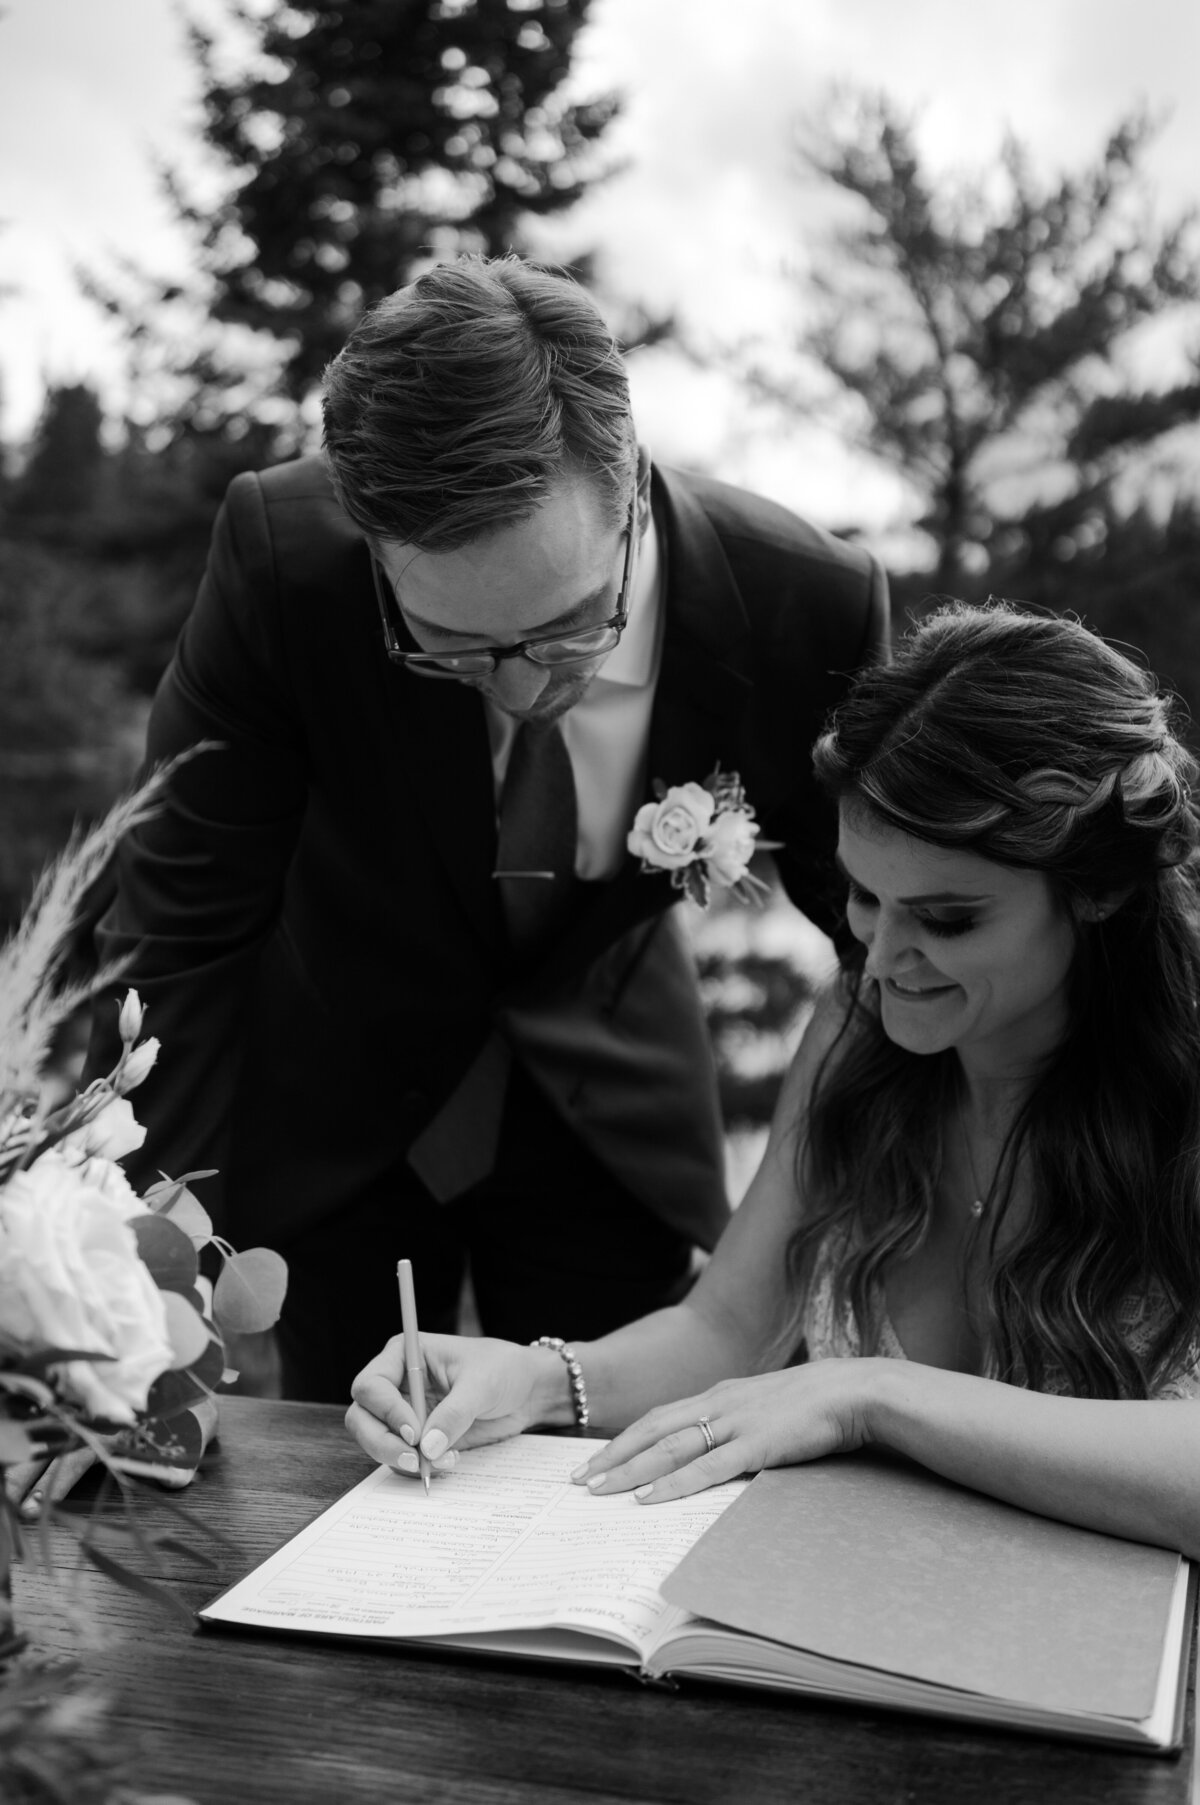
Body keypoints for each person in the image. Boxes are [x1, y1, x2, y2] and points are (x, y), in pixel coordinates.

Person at [85, 253, 889, 1402]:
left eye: (569, 632)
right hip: (341, 1108)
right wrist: (131, 1271)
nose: (518, 691)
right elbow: (179, 929)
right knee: (340, 1471)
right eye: (451, 649)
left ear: (632, 489)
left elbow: (894, 936)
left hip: (610, 1114)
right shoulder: (281, 561)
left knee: (600, 1477)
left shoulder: (805, 603)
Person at [348, 601, 1200, 1558]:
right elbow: (730, 1323)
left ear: (1100, 888)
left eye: (949, 920)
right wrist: (532, 1379)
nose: (884, 959)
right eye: (865, 898)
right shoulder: (856, 1027)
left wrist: (870, 1392)